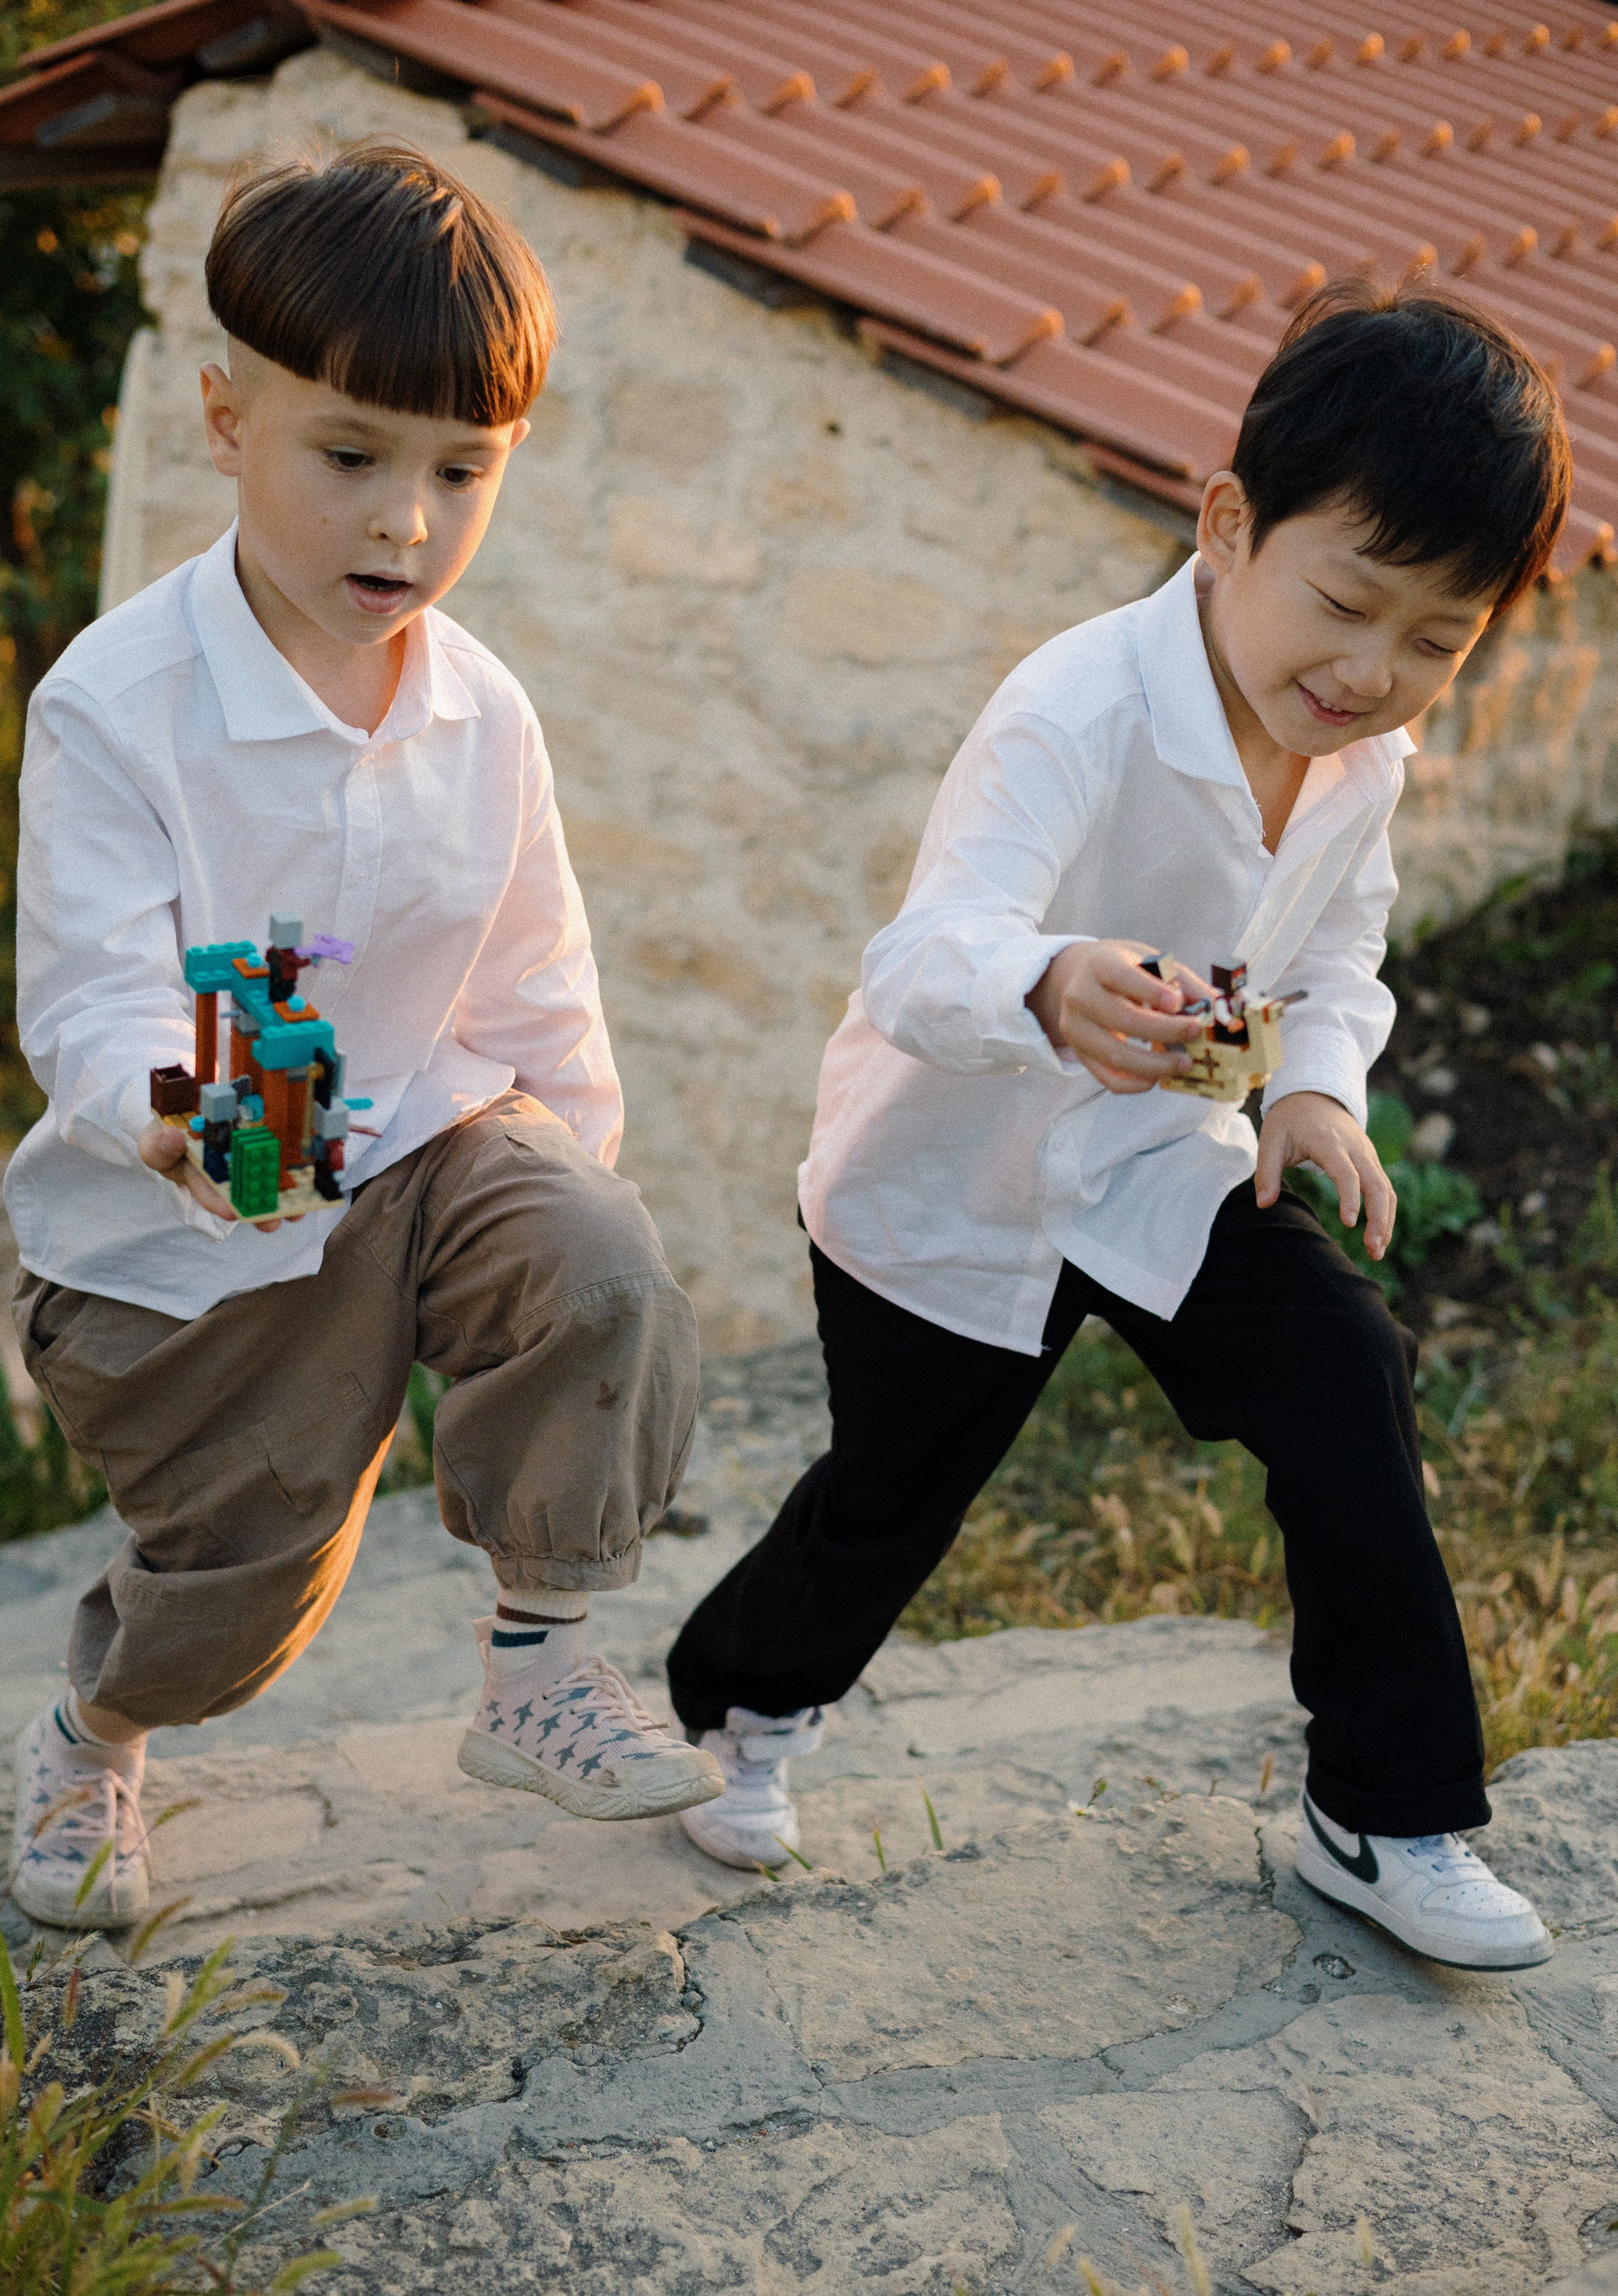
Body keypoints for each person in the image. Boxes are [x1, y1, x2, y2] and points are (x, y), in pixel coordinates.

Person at [667, 282, 1570, 1972]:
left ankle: (1386, 1812)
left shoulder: (1360, 759)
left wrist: (1317, 1089)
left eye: (1437, 641)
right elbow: (921, 954)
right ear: (1228, 527)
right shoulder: (1075, 709)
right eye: (1346, 605)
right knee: (891, 1502)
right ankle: (738, 1705)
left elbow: (1341, 953)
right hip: (955, 1183)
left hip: (1164, 1161)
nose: (1371, 673)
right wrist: (1047, 978)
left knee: (1345, 1370)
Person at [8, 140, 722, 1931]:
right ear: (225, 419)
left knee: (602, 1261)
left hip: (415, 1150)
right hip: (179, 1237)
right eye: (351, 457)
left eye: (462, 470)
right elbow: (93, 993)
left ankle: (538, 1661)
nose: (407, 522)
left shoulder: (485, 714)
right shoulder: (119, 703)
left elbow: (538, 981)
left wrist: (568, 1235)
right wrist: (179, 1109)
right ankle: (94, 1735)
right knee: (246, 1592)